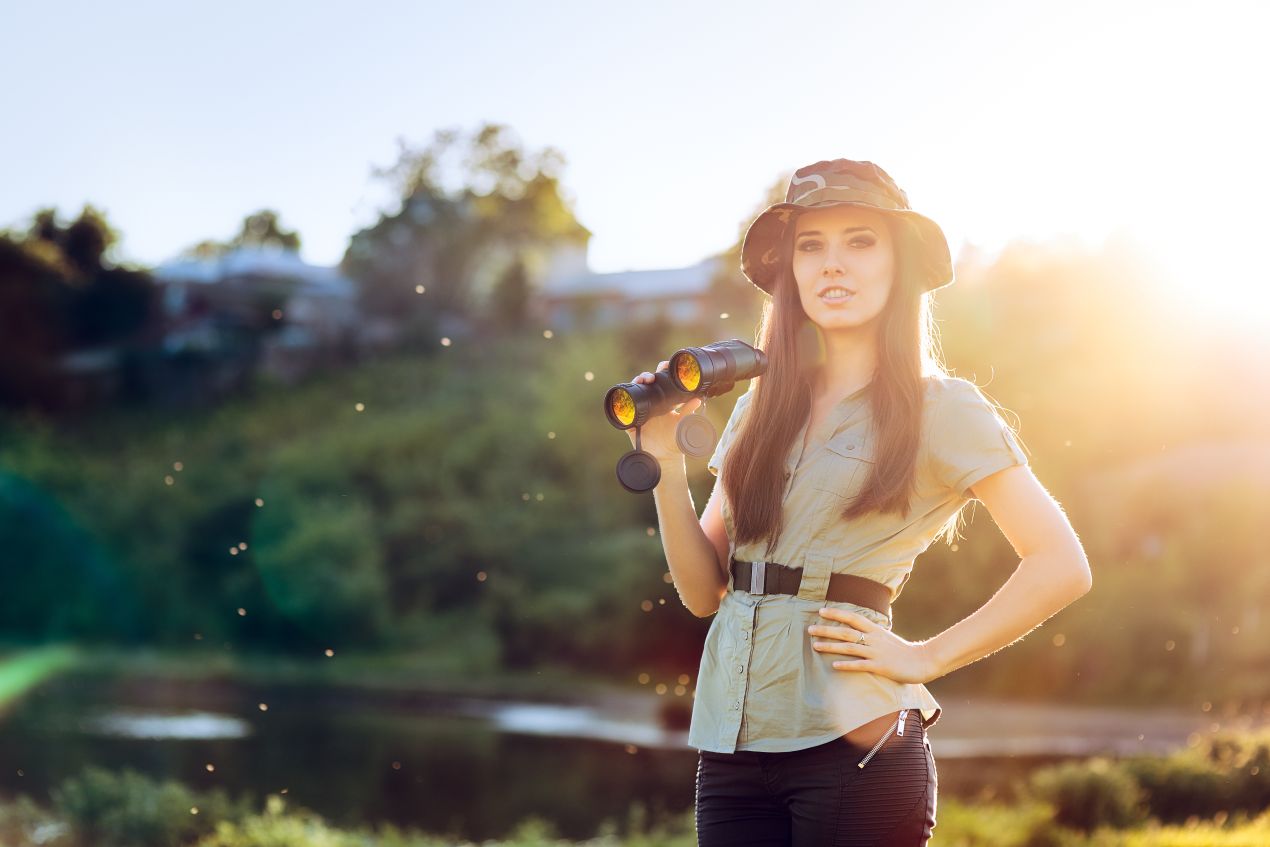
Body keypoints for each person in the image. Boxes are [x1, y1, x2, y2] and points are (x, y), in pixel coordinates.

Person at [625, 158, 1092, 846]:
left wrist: (927, 656)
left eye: (859, 240)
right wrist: (664, 460)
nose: (831, 265)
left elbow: (1061, 564)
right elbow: (702, 591)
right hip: (731, 746)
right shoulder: (757, 407)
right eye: (811, 245)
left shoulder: (944, 408)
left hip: (856, 746)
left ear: (900, 264)